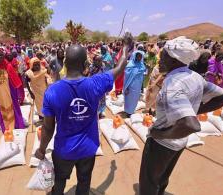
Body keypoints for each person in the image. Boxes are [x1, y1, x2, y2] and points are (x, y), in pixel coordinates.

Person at [34, 33, 133, 195]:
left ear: (65, 63)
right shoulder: (96, 83)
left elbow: (48, 127)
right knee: (84, 184)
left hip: (63, 151)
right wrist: (126, 47)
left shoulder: (52, 91)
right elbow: (120, 68)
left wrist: (41, 149)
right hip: (88, 149)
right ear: (86, 64)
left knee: (59, 183)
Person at [139, 37, 223, 195]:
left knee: (148, 183)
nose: (159, 59)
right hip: (179, 143)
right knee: (162, 178)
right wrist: (194, 110)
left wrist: (160, 133)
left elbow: (191, 125)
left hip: (161, 144)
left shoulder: (173, 85)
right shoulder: (195, 77)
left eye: (164, 56)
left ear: (175, 60)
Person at [0, 48, 25, 132]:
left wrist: (19, 94)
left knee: (14, 109)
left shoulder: (8, 66)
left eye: (1, 54)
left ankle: (17, 126)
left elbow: (16, 81)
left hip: (10, 93)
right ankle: (6, 128)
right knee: (1, 111)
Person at [25, 57, 52, 124]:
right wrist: (30, 92)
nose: (37, 66)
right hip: (36, 92)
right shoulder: (29, 73)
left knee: (45, 104)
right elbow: (26, 83)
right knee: (39, 105)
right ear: (31, 65)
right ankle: (41, 118)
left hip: (44, 90)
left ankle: (46, 118)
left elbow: (48, 78)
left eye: (38, 64)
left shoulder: (43, 70)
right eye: (35, 65)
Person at [123, 50, 146, 117]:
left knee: (135, 99)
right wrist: (126, 87)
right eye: (138, 56)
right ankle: (128, 111)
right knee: (129, 99)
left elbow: (143, 73)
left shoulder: (142, 65)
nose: (139, 58)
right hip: (130, 85)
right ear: (134, 56)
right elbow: (127, 77)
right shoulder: (130, 65)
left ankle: (132, 110)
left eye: (140, 57)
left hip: (137, 86)